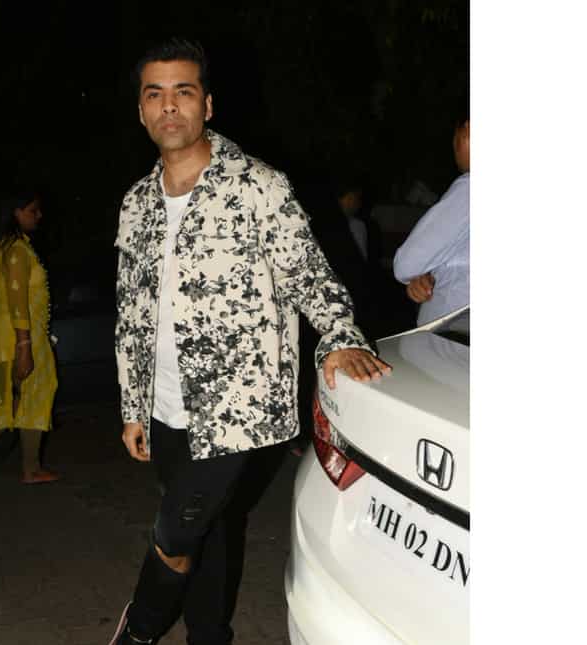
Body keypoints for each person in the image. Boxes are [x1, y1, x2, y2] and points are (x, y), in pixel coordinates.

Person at [110, 38, 391, 644]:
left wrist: (341, 337)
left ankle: (136, 635)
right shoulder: (136, 203)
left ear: (207, 104)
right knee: (209, 532)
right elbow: (131, 313)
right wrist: (133, 405)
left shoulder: (257, 186)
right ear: (141, 109)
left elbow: (309, 273)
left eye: (183, 92)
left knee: (174, 532)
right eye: (155, 94)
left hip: (237, 407)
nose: (169, 106)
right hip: (165, 408)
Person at [0, 191, 60, 484]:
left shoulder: (4, 246)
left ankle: (11, 460)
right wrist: (24, 346)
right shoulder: (16, 250)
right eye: (32, 210)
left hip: (3, 334)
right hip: (18, 335)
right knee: (32, 395)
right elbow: (18, 301)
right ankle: (28, 467)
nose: (38, 216)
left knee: (1, 398)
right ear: (16, 212)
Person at [393, 113, 470, 325]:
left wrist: (416, 272)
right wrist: (428, 275)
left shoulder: (470, 188)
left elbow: (407, 264)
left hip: (452, 332)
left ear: (468, 129)